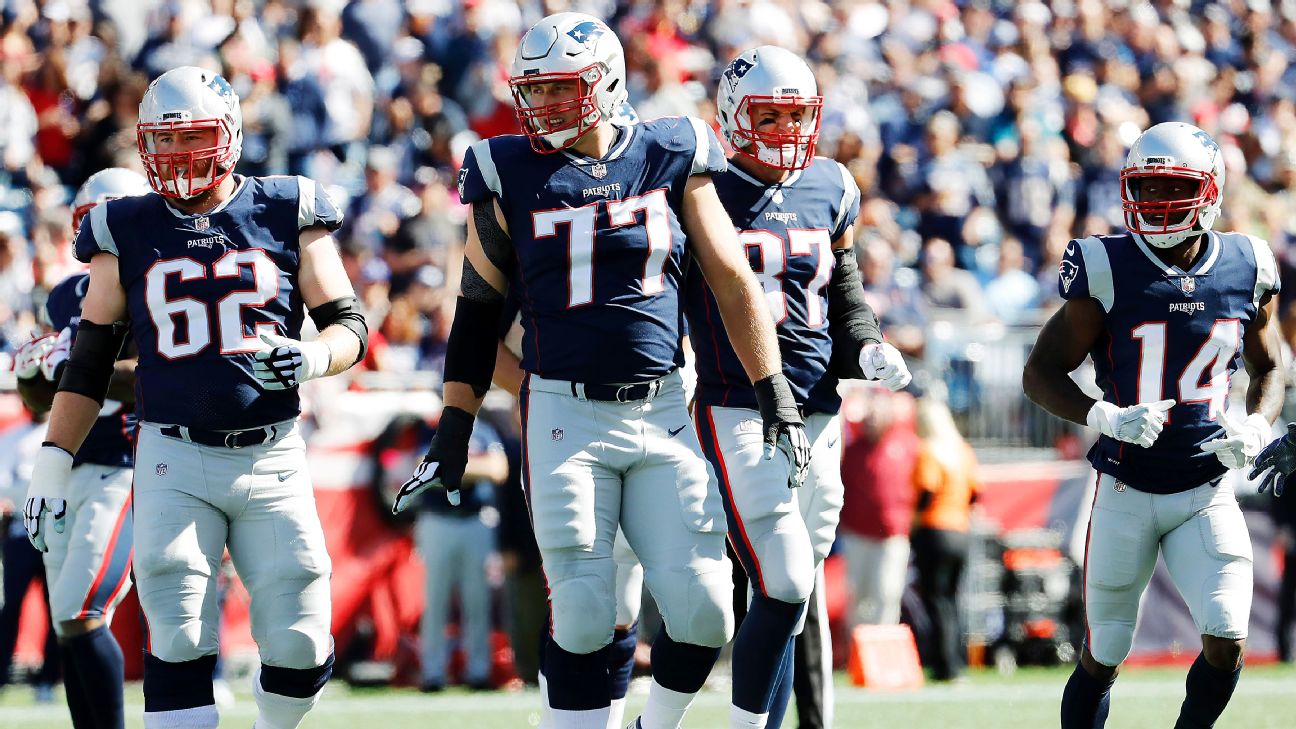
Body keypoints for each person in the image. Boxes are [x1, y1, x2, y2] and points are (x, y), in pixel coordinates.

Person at [391, 13, 807, 729]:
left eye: (561, 90)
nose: (544, 107)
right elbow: (476, 309)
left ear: (607, 84)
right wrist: (453, 433)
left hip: (663, 406)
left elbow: (735, 280)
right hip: (563, 412)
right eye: (536, 91)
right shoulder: (505, 168)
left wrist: (775, 393)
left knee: (706, 609)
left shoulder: (670, 150)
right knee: (583, 608)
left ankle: (654, 721)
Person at [22, 66, 369, 729]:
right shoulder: (123, 225)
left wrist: (316, 355)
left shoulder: (287, 205)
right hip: (170, 452)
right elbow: (91, 358)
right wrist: (53, 459)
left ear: (231, 135)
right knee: (177, 625)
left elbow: (349, 324)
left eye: (195, 138)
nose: (180, 157)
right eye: (166, 142)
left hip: (271, 452)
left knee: (300, 640)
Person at [1022, 122, 1285, 729]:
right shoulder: (1107, 265)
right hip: (1125, 485)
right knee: (1104, 652)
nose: (1158, 203)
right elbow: (1040, 372)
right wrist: (1103, 414)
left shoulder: (1246, 263)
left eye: (1175, 187)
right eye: (1146, 188)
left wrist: (1256, 423)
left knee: (1227, 640)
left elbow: (1273, 364)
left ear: (1211, 191)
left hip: (1206, 487)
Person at [684, 46, 910, 729]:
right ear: (732, 114)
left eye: (795, 114)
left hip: (820, 412)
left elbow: (845, 295)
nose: (785, 128)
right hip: (740, 405)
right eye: (769, 114)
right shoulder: (701, 187)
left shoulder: (833, 184)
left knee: (791, 596)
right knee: (779, 583)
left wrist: (868, 346)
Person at [11, 167, 149, 729]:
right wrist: (34, 369)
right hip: (66, 467)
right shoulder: (68, 293)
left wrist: (77, 366)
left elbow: (158, 374)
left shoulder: (151, 285)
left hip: (125, 464)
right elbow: (42, 399)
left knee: (84, 610)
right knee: (68, 621)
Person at [415, 411, 508, 692]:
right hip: (437, 519)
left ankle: (478, 671)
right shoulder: (430, 428)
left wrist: (452, 467)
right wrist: (472, 469)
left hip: (476, 519)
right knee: (434, 600)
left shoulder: (484, 430)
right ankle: (433, 673)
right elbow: (421, 469)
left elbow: (498, 470)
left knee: (477, 600)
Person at [909, 396, 979, 682]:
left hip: (934, 530)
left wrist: (913, 524)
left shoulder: (929, 452)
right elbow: (976, 493)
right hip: (961, 531)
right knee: (951, 600)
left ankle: (943, 665)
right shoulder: (963, 451)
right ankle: (957, 663)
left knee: (935, 600)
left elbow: (926, 494)